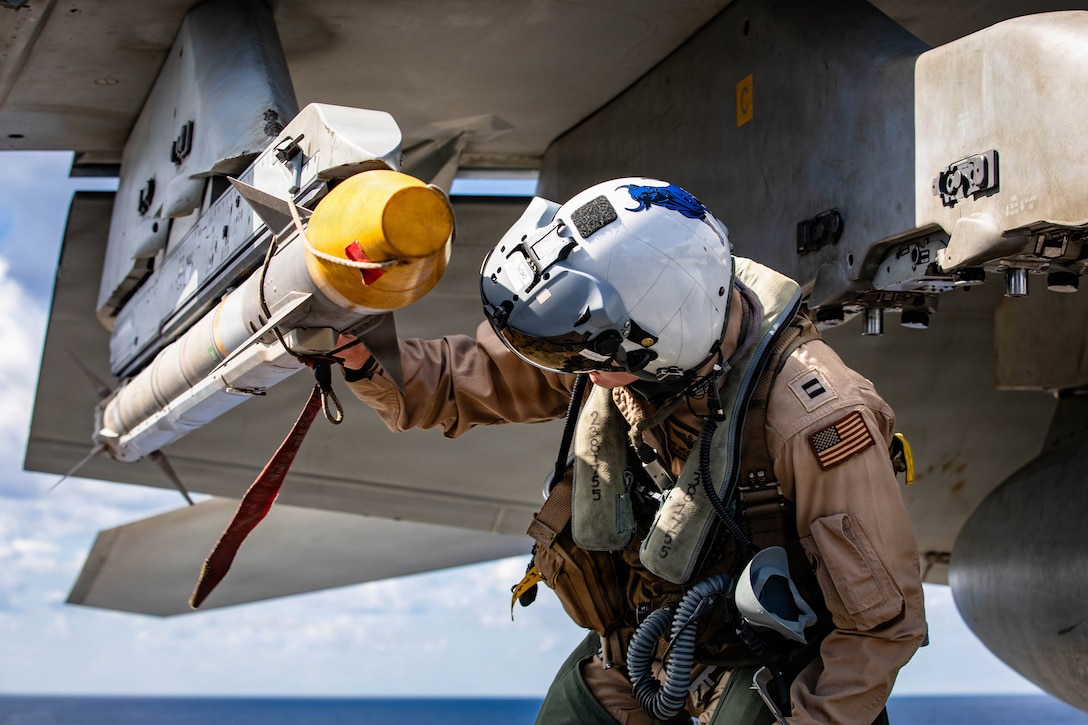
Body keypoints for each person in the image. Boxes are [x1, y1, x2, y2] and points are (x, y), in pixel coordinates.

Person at [336, 178, 927, 724]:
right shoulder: (616, 336)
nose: (578, 375)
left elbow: (879, 629)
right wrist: (367, 359)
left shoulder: (813, 416)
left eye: (589, 361)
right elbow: (476, 376)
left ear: (657, 345)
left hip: (773, 663)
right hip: (650, 643)